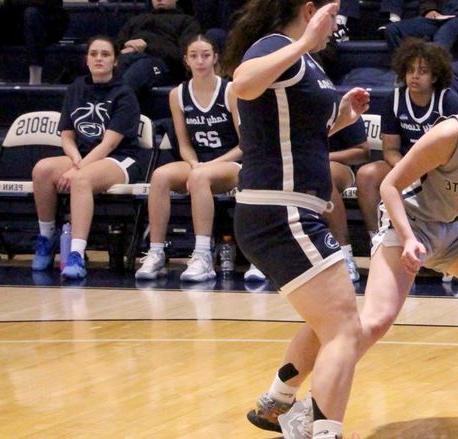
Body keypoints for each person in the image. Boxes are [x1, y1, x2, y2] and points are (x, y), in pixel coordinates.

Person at [246, 69, 458, 435]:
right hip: (408, 223)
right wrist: (408, 238)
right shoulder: (453, 133)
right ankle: (298, 408)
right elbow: (391, 185)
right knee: (371, 322)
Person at [222, 0, 370, 436]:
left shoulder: (303, 60)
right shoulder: (276, 45)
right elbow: (241, 84)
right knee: (345, 327)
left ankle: (276, 402)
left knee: (328, 319)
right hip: (279, 210)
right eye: (333, 14)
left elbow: (295, 132)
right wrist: (304, 41)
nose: (336, 26)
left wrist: (342, 118)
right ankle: (323, 431)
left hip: (287, 210)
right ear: (310, 10)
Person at [133, 34, 264, 283]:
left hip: (232, 164)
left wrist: (209, 166)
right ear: (186, 60)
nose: (200, 60)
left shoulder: (231, 90)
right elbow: (184, 144)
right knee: (160, 176)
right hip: (199, 163)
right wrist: (193, 163)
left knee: (200, 176)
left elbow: (245, 144)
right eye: (194, 56)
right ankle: (156, 251)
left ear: (215, 58)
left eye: (205, 55)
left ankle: (203, 255)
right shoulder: (178, 94)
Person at [31, 36, 144, 279]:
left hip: (119, 158)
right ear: (87, 59)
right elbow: (67, 136)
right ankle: (47, 237)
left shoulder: (124, 94)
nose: (99, 58)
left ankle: (76, 255)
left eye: (105, 54)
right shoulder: (76, 88)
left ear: (115, 61)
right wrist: (74, 161)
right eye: (94, 54)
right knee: (42, 169)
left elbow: (109, 143)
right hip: (83, 156)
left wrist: (77, 169)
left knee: (81, 180)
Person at [356, 38, 458, 239]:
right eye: (410, 70)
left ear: (434, 77)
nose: (414, 76)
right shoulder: (394, 99)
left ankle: (447, 240)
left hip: (439, 168)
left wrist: (424, 170)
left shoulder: (448, 101)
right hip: (405, 162)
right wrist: (408, 169)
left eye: (422, 71)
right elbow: (390, 149)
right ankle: (376, 237)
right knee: (366, 174)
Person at [116, 0, 200, 94]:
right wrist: (127, 46)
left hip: (162, 65)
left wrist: (147, 46)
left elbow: (184, 56)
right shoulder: (136, 20)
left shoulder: (187, 22)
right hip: (128, 57)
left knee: (140, 69)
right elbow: (116, 46)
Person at [325, 119, 370, 282]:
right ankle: (262, 261)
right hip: (291, 167)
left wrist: (321, 156)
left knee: (323, 174)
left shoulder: (336, 102)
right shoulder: (279, 106)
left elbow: (363, 152)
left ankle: (344, 255)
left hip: (336, 167)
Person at [0, 0, 69, 84]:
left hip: (46, 22)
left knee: (31, 14)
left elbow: (46, 4)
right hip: (17, 22)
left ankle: (35, 79)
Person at [385, 0, 458, 55]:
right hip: (441, 16)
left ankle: (434, 78)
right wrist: (430, 10)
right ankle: (406, 74)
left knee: (444, 33)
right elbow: (428, 2)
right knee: (393, 30)